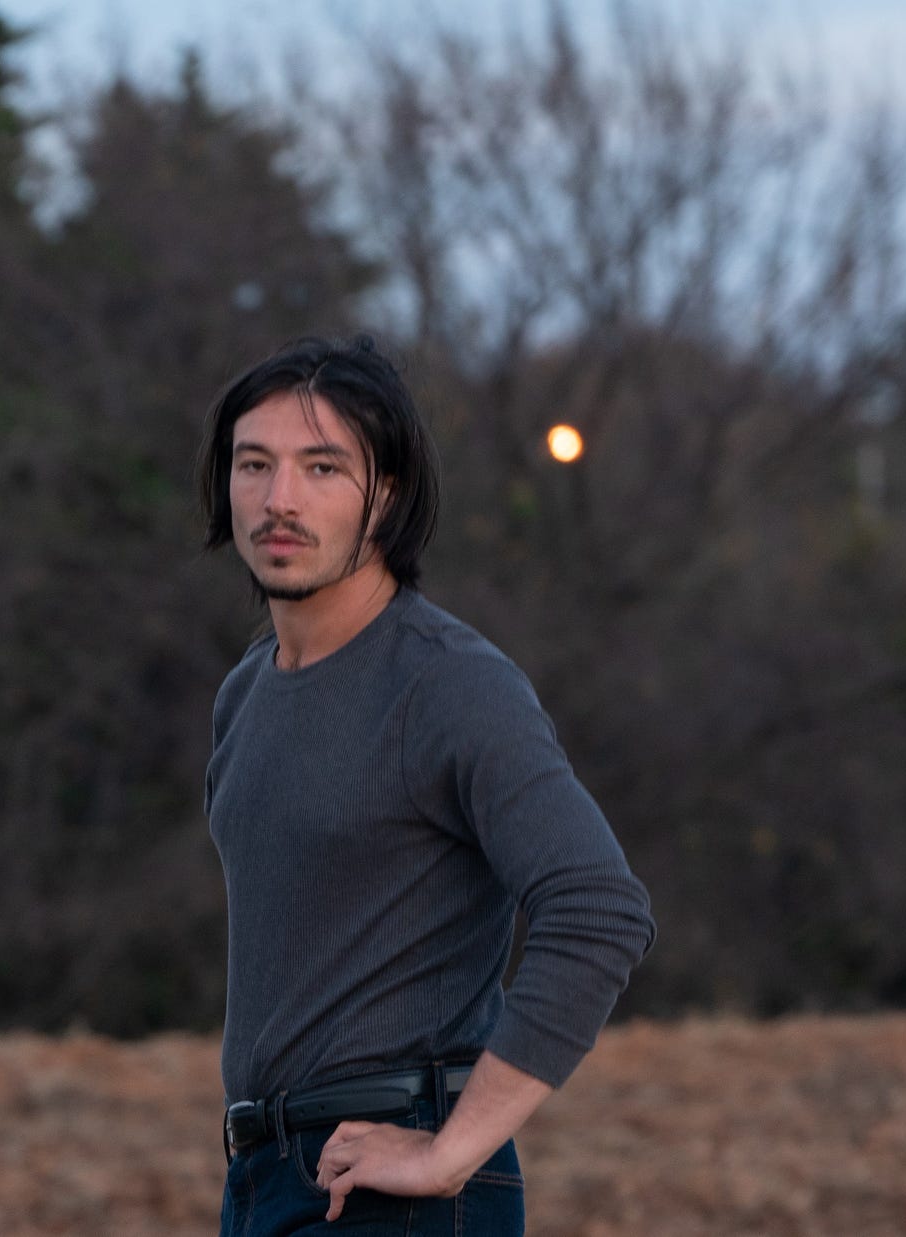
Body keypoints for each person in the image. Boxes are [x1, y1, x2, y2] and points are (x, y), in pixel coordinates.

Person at [199, 335, 655, 1235]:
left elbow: (598, 907)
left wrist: (448, 1151)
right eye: (255, 464)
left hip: (399, 1188)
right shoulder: (246, 691)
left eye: (322, 466)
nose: (278, 498)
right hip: (266, 1181)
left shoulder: (447, 683)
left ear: (388, 496)